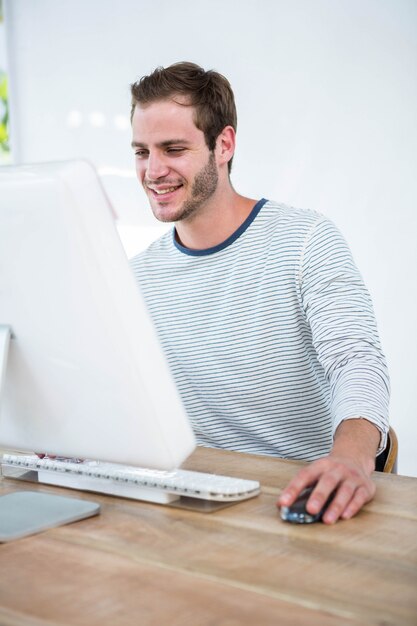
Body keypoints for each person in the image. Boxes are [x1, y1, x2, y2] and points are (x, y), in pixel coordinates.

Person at [129, 61, 390, 524]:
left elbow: (357, 362)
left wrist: (351, 457)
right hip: (191, 501)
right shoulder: (136, 276)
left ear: (223, 145)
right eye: (141, 151)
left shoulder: (306, 240)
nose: (153, 171)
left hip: (293, 499)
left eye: (173, 149)